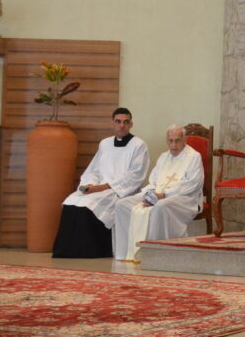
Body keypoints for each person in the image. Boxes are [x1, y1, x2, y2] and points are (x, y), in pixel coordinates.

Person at [52, 108, 149, 258]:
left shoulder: (138, 145)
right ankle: (66, 251)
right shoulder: (105, 144)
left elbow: (135, 176)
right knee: (71, 201)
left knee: (88, 206)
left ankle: (89, 251)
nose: (121, 125)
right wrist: (89, 185)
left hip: (120, 190)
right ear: (112, 123)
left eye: (125, 122)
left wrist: (102, 187)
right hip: (98, 188)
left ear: (131, 124)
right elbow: (94, 170)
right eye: (118, 121)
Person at [112, 124, 204, 262]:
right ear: (166, 141)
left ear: (185, 140)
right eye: (170, 141)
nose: (173, 145)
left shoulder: (194, 157)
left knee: (161, 206)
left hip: (185, 199)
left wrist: (164, 195)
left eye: (177, 140)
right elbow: (153, 181)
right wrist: (149, 196)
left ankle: (156, 255)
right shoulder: (163, 157)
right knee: (122, 205)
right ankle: (126, 253)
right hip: (158, 195)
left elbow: (191, 184)